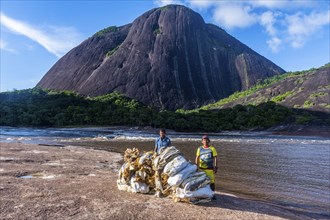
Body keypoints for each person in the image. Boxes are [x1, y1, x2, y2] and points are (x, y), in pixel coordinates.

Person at [195, 135, 218, 199]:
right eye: (204, 140)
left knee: (212, 182)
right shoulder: (199, 148)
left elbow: (215, 158)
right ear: (202, 141)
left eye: (207, 140)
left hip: (210, 168)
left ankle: (213, 194)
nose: (205, 141)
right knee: (201, 181)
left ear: (209, 141)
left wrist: (216, 166)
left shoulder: (212, 148)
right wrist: (196, 166)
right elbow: (197, 157)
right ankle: (203, 194)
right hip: (201, 168)